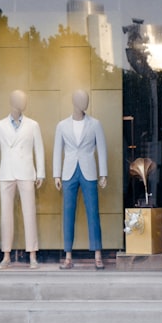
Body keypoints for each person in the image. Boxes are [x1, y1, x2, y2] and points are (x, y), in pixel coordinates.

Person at [0, 89, 45, 269]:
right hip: (6, 173)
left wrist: (41, 172)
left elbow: (39, 150)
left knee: (30, 213)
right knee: (6, 215)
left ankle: (33, 254)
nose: (24, 102)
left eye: (25, 99)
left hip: (27, 172)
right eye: (21, 99)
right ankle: (6, 255)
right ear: (12, 102)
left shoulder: (33, 125)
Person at [53, 89, 108, 270]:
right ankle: (68, 256)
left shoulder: (95, 124)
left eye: (87, 99)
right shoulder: (62, 125)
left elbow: (101, 148)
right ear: (73, 101)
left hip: (89, 170)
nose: (85, 102)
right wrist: (57, 174)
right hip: (69, 171)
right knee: (68, 213)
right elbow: (57, 150)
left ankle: (98, 255)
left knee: (93, 212)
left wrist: (103, 173)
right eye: (81, 99)